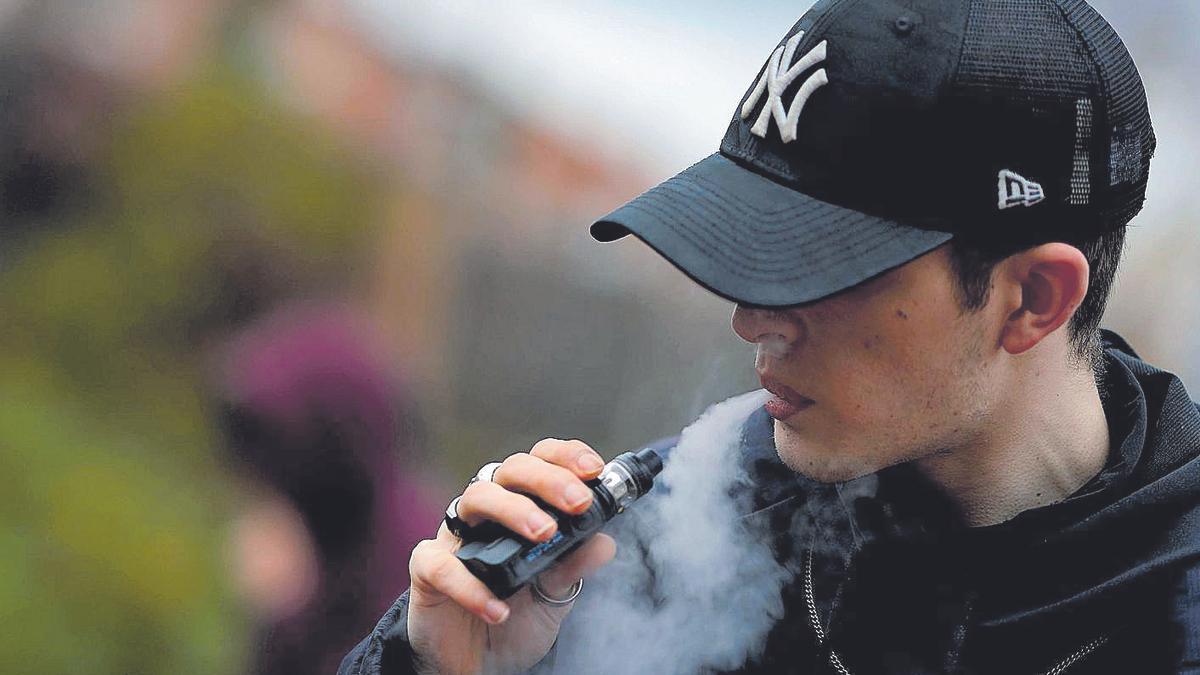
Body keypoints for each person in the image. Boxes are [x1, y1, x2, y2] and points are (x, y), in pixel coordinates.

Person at [340, 0, 1200, 672]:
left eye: (824, 268)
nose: (751, 318)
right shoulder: (676, 528)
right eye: (752, 248)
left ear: (1034, 298)